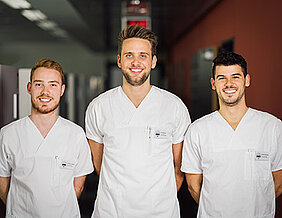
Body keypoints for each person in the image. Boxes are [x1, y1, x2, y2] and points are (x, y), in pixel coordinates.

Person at [85, 25, 191, 217]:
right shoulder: (99, 107)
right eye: (129, 55)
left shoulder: (174, 107)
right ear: (119, 60)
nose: (136, 62)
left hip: (160, 212)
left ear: (153, 61)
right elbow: (99, 163)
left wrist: (158, 198)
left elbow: (179, 168)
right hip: (111, 210)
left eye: (143, 55)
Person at [181, 50, 282, 218]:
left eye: (235, 77)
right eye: (222, 78)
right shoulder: (197, 130)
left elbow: (278, 183)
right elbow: (193, 186)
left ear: (246, 80)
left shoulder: (272, 127)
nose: (229, 84)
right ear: (213, 84)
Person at [0, 58, 94, 217]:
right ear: (29, 88)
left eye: (53, 85)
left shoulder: (76, 135)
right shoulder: (8, 134)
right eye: (39, 84)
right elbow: (3, 185)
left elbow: (77, 187)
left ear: (62, 89)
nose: (45, 92)